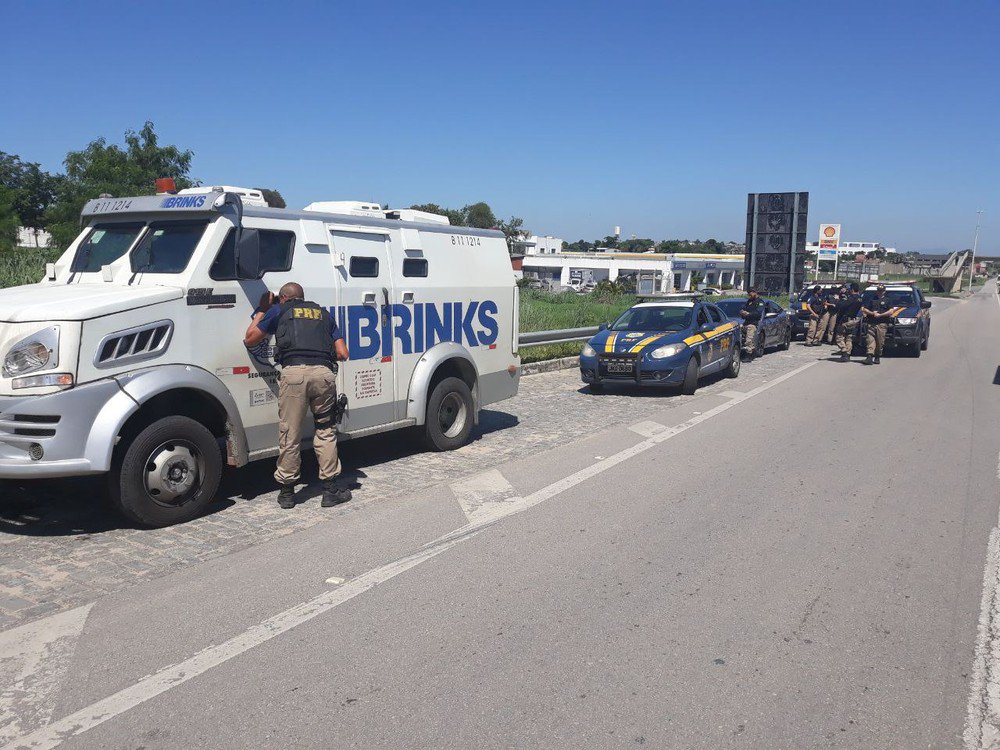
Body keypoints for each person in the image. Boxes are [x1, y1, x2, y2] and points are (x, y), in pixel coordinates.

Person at [243, 282, 351, 509]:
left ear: (283, 298)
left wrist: (263, 308)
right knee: (325, 431)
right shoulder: (323, 314)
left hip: (293, 376)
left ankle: (287, 493)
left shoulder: (278, 310)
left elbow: (250, 338)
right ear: (302, 297)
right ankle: (330, 491)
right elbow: (343, 353)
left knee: (290, 433)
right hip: (323, 376)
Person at [861, 283, 894, 365]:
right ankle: (869, 356)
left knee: (880, 341)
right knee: (870, 340)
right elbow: (864, 309)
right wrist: (872, 313)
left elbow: (891, 311)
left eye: (881, 291)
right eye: (879, 291)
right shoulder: (872, 299)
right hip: (871, 323)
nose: (880, 292)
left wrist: (881, 315)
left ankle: (877, 356)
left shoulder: (888, 300)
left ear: (884, 291)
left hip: (882, 324)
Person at [833, 283, 863, 362]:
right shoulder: (860, 298)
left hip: (846, 320)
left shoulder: (851, 298)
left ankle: (844, 352)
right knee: (849, 338)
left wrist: (837, 300)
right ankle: (848, 354)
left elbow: (841, 306)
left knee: (839, 337)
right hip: (854, 320)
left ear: (852, 290)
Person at [739, 287, 764, 360]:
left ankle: (749, 355)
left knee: (749, 340)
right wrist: (742, 312)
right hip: (745, 323)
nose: (749, 296)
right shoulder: (749, 301)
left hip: (753, 324)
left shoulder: (760, 302)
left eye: (750, 294)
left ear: (754, 292)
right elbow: (744, 309)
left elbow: (758, 314)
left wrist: (748, 314)